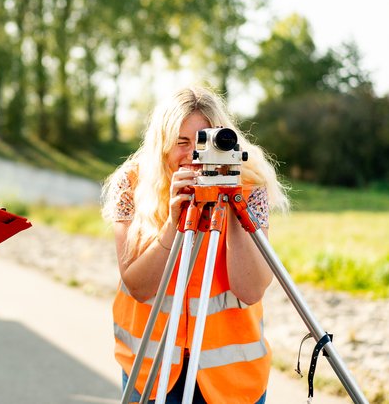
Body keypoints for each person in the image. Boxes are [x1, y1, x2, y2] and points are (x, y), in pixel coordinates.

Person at [101, 86, 289, 404]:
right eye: (182, 142)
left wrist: (231, 204)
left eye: (204, 141)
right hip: (153, 370)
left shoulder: (248, 185)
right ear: (162, 145)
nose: (193, 155)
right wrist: (173, 223)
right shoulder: (132, 184)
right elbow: (138, 286)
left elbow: (251, 290)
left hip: (230, 376)